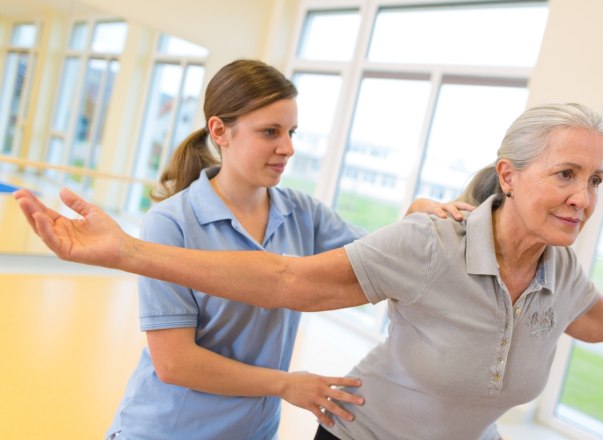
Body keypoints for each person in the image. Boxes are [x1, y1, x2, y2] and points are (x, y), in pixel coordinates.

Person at [15, 103, 603, 440]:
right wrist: (128, 252)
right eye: (566, 173)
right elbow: (285, 281)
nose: (582, 196)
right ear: (510, 173)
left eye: (595, 181)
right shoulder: (430, 244)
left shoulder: (560, 273)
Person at [47, 59, 472, 440]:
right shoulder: (172, 223)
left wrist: (417, 216)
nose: (287, 147)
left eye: (291, 132)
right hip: (169, 429)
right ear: (220, 131)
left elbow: (381, 262)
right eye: (270, 132)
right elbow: (175, 363)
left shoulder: (303, 213)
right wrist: (285, 383)